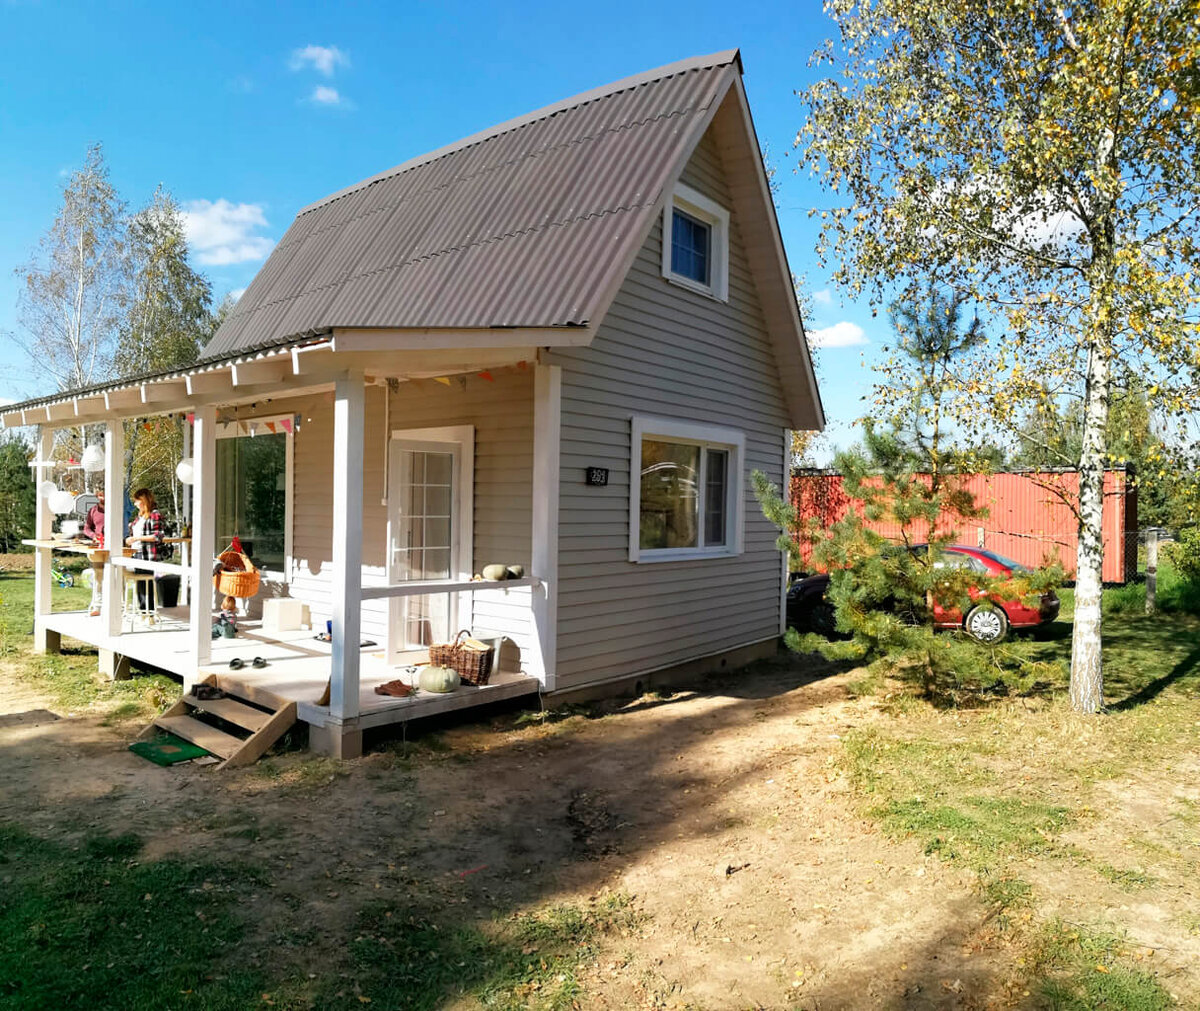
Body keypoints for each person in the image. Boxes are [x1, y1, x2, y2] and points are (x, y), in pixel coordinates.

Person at [126, 488, 166, 611]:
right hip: (137, 553)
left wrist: (137, 538)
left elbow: (158, 535)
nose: (135, 504)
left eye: (137, 501)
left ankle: (149, 613)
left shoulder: (155, 515)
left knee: (146, 585)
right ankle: (144, 612)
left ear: (143, 501)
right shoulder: (140, 517)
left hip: (148, 555)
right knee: (140, 585)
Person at [82, 490, 105, 617]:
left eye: (104, 495)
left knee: (118, 575)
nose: (102, 497)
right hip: (98, 546)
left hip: (116, 545)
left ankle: (120, 605)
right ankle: (98, 606)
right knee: (98, 576)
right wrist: (93, 536)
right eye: (100, 495)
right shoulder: (93, 511)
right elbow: (86, 528)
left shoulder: (116, 508)